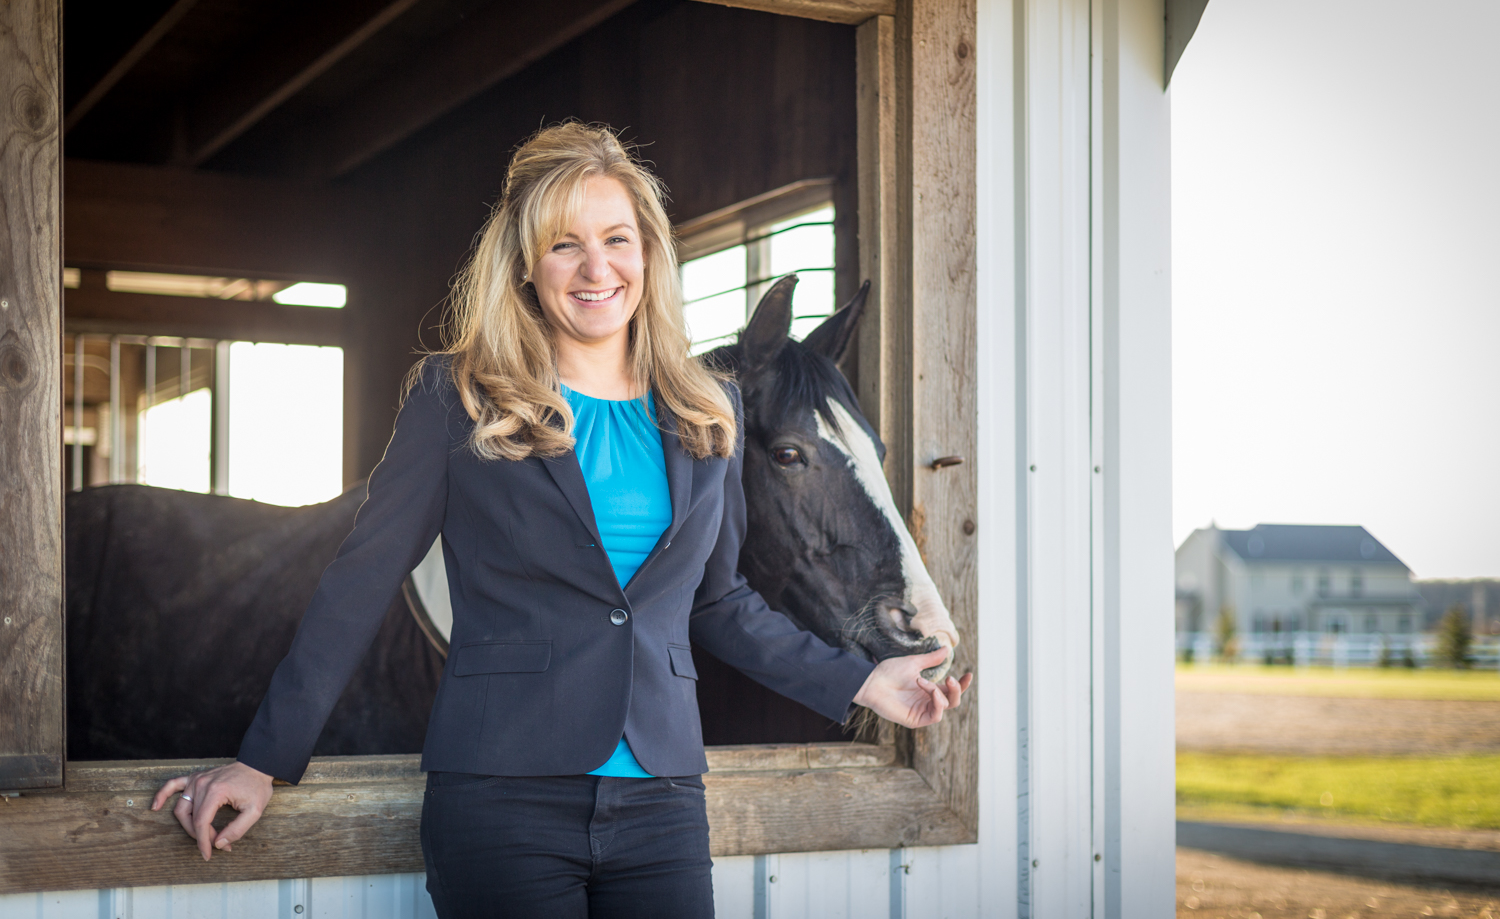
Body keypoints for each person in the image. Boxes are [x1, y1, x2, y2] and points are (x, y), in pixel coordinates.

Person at [151, 122, 971, 918]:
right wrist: (264, 759)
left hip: (662, 800)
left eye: (617, 238)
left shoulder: (706, 409)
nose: (595, 267)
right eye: (564, 243)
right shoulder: (457, 396)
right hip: (502, 799)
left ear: (648, 254)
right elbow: (362, 579)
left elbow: (718, 604)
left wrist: (862, 680)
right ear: (526, 266)